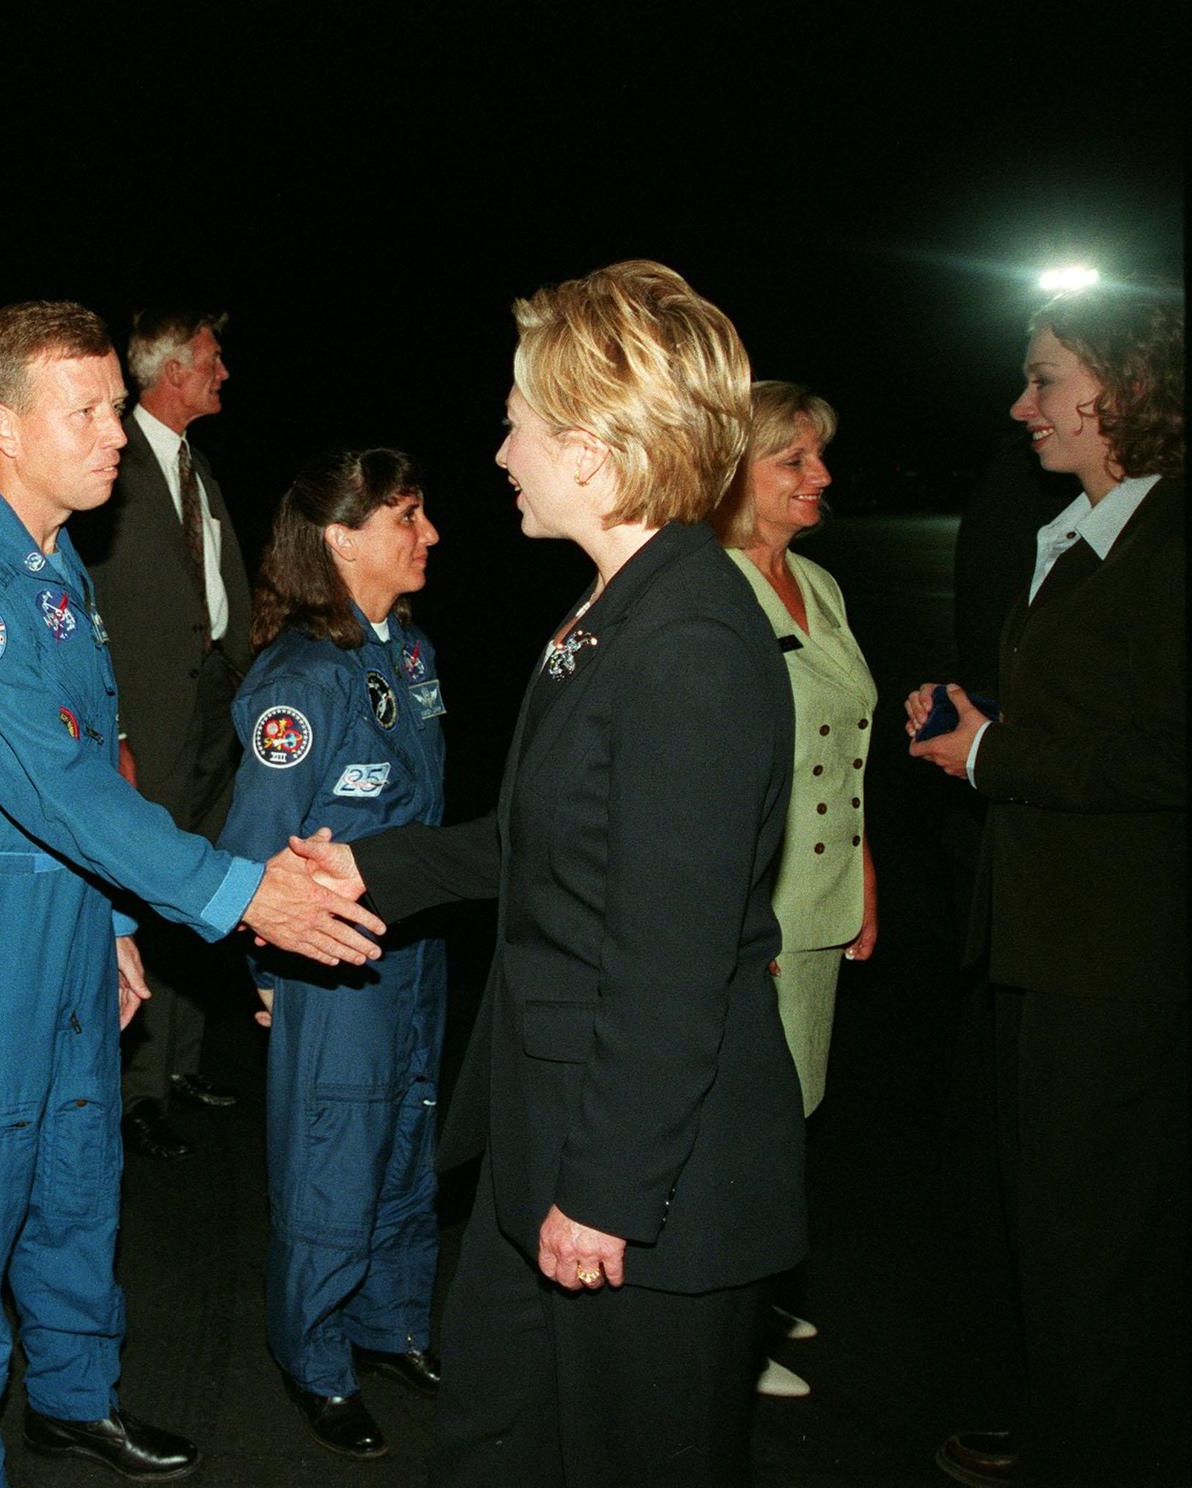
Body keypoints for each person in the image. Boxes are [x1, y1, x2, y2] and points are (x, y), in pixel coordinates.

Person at [297, 261, 804, 1486]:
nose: (501, 451)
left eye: (517, 420)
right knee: (494, 1437)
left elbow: (672, 957)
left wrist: (610, 1193)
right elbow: (546, 839)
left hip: (639, 1184)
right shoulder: (616, 609)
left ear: (589, 450)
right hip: (552, 1136)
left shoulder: (687, 642)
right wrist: (366, 867)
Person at [0, 299, 384, 1488]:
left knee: (74, 1179)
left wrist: (110, 925)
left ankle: (70, 1400)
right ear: (5, 427)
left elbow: (100, 757)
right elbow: (54, 785)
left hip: (65, 912)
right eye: (89, 412)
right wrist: (238, 894)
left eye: (115, 406)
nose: (116, 433)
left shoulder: (56, 565)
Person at [906, 280, 1187, 1488]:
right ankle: (1080, 1424)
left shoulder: (1169, 542)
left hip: (1120, 956)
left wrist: (993, 757)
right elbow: (1099, 713)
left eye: (1045, 379)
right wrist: (981, 720)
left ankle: (1098, 1453)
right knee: (1061, 1221)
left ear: (1125, 388)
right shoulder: (1087, 528)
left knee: (1096, 1233)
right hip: (1048, 939)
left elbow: (1165, 755)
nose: (1023, 406)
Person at [217, 449, 447, 1460]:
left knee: (406, 1138)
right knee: (333, 1162)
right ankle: (313, 1359)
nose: (429, 534)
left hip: (415, 951)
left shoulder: (410, 652)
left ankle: (389, 1323)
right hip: (332, 965)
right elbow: (248, 855)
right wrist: (270, 976)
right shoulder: (302, 680)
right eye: (407, 516)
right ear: (342, 538)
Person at [710, 382, 878, 1399]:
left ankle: (759, 1291)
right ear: (738, 470)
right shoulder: (715, 588)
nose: (820, 476)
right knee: (745, 1125)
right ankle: (727, 1330)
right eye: (794, 460)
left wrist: (863, 871)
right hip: (758, 906)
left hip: (820, 896)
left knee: (793, 1109)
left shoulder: (818, 581)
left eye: (819, 457)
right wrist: (743, 920)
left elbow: (844, 747)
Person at [84, 308, 251, 1160]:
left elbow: (216, 590)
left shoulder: (195, 466)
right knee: (147, 892)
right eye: (212, 360)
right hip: (146, 722)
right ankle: (136, 1092)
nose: (224, 373)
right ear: (173, 372)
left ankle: (180, 1062)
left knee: (202, 882)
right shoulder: (111, 466)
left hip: (212, 714)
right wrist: (110, 723)